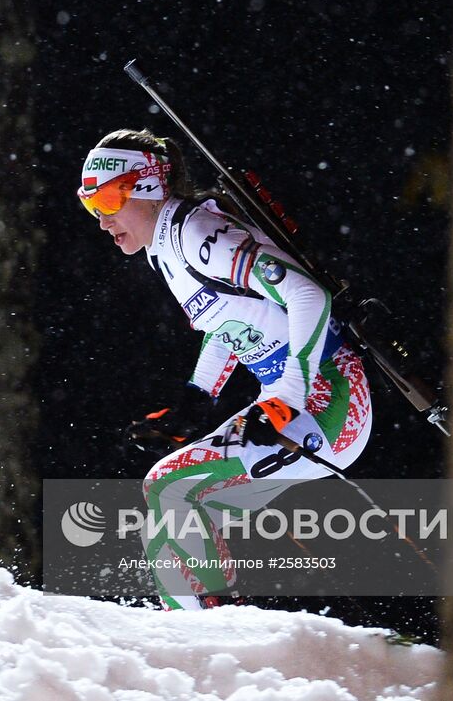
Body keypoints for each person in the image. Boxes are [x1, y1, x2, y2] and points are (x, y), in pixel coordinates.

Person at [77, 128, 373, 610]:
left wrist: (290, 398)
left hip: (327, 399)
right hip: (295, 398)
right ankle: (215, 640)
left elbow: (305, 294)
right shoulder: (165, 247)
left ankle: (210, 645)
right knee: (181, 510)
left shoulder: (193, 234)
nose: (103, 219)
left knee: (169, 489)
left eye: (109, 199)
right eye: (92, 206)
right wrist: (197, 397)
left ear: (149, 186)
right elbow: (231, 320)